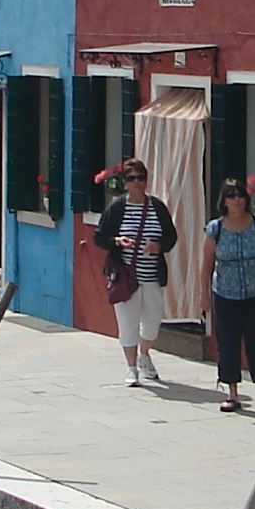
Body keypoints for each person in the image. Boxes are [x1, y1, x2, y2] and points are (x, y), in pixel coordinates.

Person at [93, 159, 177, 387]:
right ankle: (131, 368)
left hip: (151, 276)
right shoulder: (117, 208)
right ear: (125, 182)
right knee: (128, 323)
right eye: (131, 178)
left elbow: (171, 236)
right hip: (125, 277)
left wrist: (157, 246)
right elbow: (99, 237)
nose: (137, 182)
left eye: (140, 177)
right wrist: (117, 241)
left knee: (151, 322)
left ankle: (144, 354)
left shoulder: (157, 207)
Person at [202, 177, 255, 414]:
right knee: (228, 343)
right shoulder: (215, 228)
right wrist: (203, 295)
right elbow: (206, 264)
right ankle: (232, 393)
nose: (236, 200)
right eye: (231, 196)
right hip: (225, 294)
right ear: (224, 201)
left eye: (240, 195)